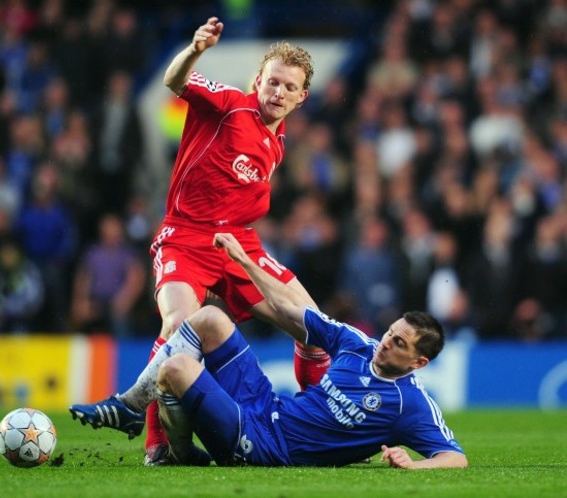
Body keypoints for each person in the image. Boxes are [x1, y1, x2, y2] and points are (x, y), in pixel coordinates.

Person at [69, 16, 331, 465]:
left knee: (315, 330)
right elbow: (175, 80)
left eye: (289, 87)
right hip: (185, 236)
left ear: (301, 97)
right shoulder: (230, 104)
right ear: (257, 81)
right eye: (272, 82)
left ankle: (319, 421)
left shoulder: (279, 139)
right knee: (178, 327)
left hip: (239, 245)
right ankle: (160, 445)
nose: (278, 93)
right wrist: (195, 49)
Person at [71, 232, 468, 468]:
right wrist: (243, 261)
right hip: (268, 406)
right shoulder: (356, 344)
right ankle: (132, 408)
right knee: (209, 318)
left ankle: (177, 450)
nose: (385, 342)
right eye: (390, 332)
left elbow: (456, 457)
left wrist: (412, 464)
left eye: (398, 343)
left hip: (267, 446)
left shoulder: (410, 405)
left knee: (176, 369)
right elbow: (286, 310)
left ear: (419, 362)